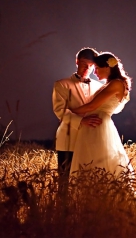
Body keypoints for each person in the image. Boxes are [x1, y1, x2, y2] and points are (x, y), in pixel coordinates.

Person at [69, 52, 134, 177]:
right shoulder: (109, 84)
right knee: (90, 160)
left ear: (107, 67)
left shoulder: (116, 84)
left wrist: (69, 111)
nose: (95, 72)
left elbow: (92, 106)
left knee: (96, 161)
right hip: (94, 123)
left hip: (97, 125)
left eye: (97, 68)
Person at [52, 47, 103, 191]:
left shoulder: (100, 87)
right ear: (77, 62)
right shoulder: (61, 84)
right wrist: (81, 121)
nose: (87, 69)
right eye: (84, 64)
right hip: (68, 139)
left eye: (91, 66)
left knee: (87, 182)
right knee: (65, 181)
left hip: (91, 139)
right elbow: (59, 111)